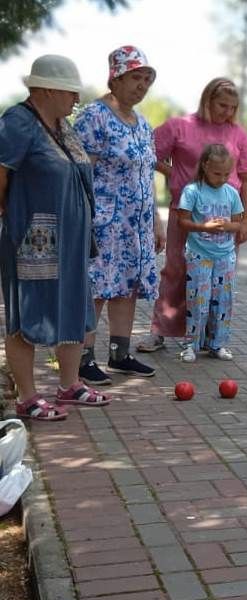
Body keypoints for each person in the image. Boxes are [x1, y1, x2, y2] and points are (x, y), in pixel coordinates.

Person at [0, 55, 110, 421]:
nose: (76, 100)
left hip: (71, 241)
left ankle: (70, 384)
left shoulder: (64, 126)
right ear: (47, 90)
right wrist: (11, 218)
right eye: (71, 92)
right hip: (33, 240)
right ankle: (28, 398)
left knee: (74, 305)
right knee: (25, 313)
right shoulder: (18, 123)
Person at [137, 78, 247, 354]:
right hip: (188, 215)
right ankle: (159, 333)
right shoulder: (181, 127)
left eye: (232, 107)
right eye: (222, 105)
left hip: (226, 221)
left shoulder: (239, 135)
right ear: (207, 100)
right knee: (177, 270)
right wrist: (174, 174)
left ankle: (210, 339)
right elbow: (145, 153)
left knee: (219, 280)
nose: (227, 111)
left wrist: (246, 221)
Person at [73, 45, 165, 384]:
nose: (142, 85)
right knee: (97, 287)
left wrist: (156, 221)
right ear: (115, 77)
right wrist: (83, 219)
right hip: (104, 223)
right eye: (135, 77)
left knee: (126, 287)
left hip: (135, 226)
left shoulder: (142, 124)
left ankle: (120, 355)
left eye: (146, 79)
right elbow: (80, 174)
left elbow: (147, 174)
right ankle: (82, 359)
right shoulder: (93, 117)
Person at [176, 144, 243, 362]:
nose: (222, 178)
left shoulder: (231, 193)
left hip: (225, 255)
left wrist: (225, 225)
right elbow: (182, 221)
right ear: (205, 166)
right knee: (199, 301)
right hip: (199, 254)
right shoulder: (192, 191)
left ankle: (217, 344)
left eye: (226, 174)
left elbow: (238, 224)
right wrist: (204, 227)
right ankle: (190, 345)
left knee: (224, 301)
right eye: (217, 173)